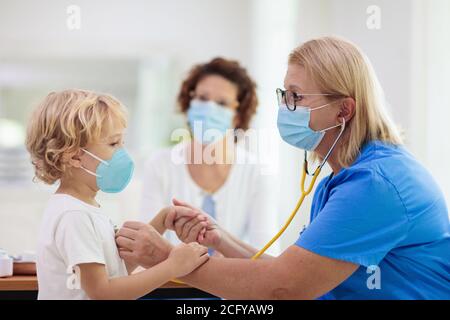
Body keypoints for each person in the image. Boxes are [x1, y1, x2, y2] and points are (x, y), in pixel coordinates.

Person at [117, 37, 450, 300]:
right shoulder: (339, 179)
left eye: (297, 97)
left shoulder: (376, 185)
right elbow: (295, 275)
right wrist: (222, 239)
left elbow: (284, 289)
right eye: (284, 94)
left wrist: (165, 259)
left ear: (343, 111)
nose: (285, 108)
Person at [26, 89, 208, 300]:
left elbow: (115, 272)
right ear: (75, 156)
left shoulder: (84, 208)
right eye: (113, 143)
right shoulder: (74, 216)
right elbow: (104, 292)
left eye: (122, 142)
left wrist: (161, 222)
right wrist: (173, 267)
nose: (122, 152)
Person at [140, 57, 279, 254]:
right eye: (203, 99)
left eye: (222, 103)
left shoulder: (256, 173)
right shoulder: (160, 165)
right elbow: (147, 247)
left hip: (234, 284)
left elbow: (266, 254)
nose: (209, 109)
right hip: (170, 284)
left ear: (237, 116)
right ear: (189, 103)